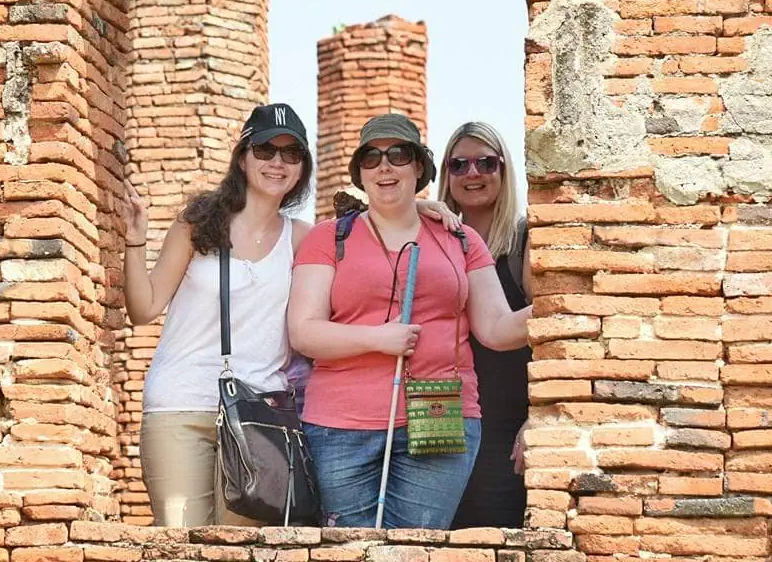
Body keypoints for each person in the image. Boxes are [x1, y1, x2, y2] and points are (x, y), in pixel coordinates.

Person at [121, 103, 459, 527]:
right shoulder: (198, 223)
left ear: (302, 167)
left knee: (240, 552)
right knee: (178, 540)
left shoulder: (304, 238)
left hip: (260, 414)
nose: (277, 162)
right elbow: (143, 308)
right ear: (243, 158)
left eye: (291, 153)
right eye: (265, 149)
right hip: (180, 404)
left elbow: (375, 223)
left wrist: (424, 209)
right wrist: (134, 244)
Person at [287, 113, 532, 529]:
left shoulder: (460, 239)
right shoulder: (329, 238)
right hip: (342, 424)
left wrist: (571, 304)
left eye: (398, 155)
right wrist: (377, 339)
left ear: (419, 167)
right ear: (360, 173)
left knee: (416, 549)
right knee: (350, 551)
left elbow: (495, 327)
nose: (384, 166)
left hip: (440, 411)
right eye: (371, 157)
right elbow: (304, 331)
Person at [440, 122, 532, 529]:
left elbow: (558, 333)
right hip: (439, 423)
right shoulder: (432, 242)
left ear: (504, 170)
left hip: (504, 428)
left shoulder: (524, 241)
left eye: (485, 163)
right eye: (458, 164)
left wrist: (541, 418)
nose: (472, 173)